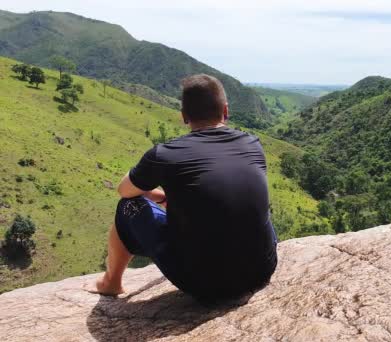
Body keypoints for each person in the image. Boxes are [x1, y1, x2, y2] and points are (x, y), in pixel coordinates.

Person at [86, 74, 278, 303]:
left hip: (204, 284)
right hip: (261, 271)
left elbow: (125, 191)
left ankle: (111, 283)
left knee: (127, 206)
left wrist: (160, 197)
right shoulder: (253, 144)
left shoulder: (165, 154)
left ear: (184, 116)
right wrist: (172, 198)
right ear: (225, 111)